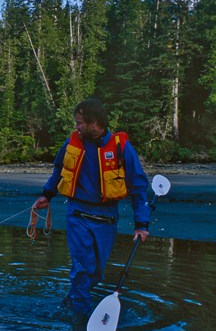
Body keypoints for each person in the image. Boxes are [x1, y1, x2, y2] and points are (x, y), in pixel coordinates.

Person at [33, 98, 150, 316]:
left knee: (96, 274)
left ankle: (72, 300)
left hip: (106, 220)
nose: (76, 127)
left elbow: (138, 184)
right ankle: (81, 321)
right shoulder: (72, 144)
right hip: (77, 216)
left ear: (94, 123)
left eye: (80, 122)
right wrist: (47, 195)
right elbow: (59, 170)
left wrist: (141, 224)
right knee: (83, 269)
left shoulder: (121, 147)